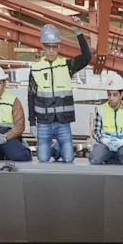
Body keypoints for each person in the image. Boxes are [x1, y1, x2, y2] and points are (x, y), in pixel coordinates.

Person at [28, 18, 91, 164]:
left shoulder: (66, 66)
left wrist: (78, 32)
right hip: (43, 122)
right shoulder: (35, 69)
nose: (51, 51)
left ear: (58, 47)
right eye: (48, 47)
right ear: (43, 46)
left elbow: (87, 57)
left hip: (63, 122)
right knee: (43, 159)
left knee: (69, 158)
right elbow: (31, 97)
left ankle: (57, 147)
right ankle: (56, 148)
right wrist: (32, 122)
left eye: (54, 47)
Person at [90, 74, 123, 166]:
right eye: (109, 94)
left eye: (115, 95)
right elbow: (95, 131)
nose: (111, 98)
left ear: (121, 94)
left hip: (122, 145)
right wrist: (104, 140)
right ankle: (113, 158)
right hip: (105, 144)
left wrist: (122, 142)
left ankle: (111, 158)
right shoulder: (101, 109)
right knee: (94, 159)